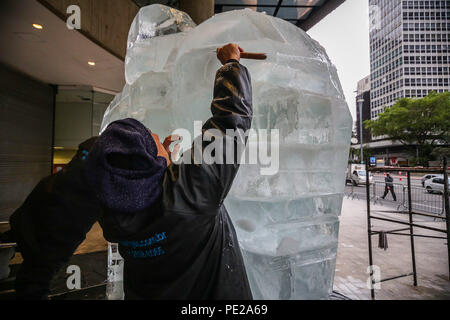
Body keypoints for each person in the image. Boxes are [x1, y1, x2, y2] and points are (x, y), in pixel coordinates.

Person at [7, 43, 253, 300]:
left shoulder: (110, 207)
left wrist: (163, 165)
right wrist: (231, 64)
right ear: (150, 161)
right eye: (152, 138)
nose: (157, 135)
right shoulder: (190, 192)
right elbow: (230, 124)